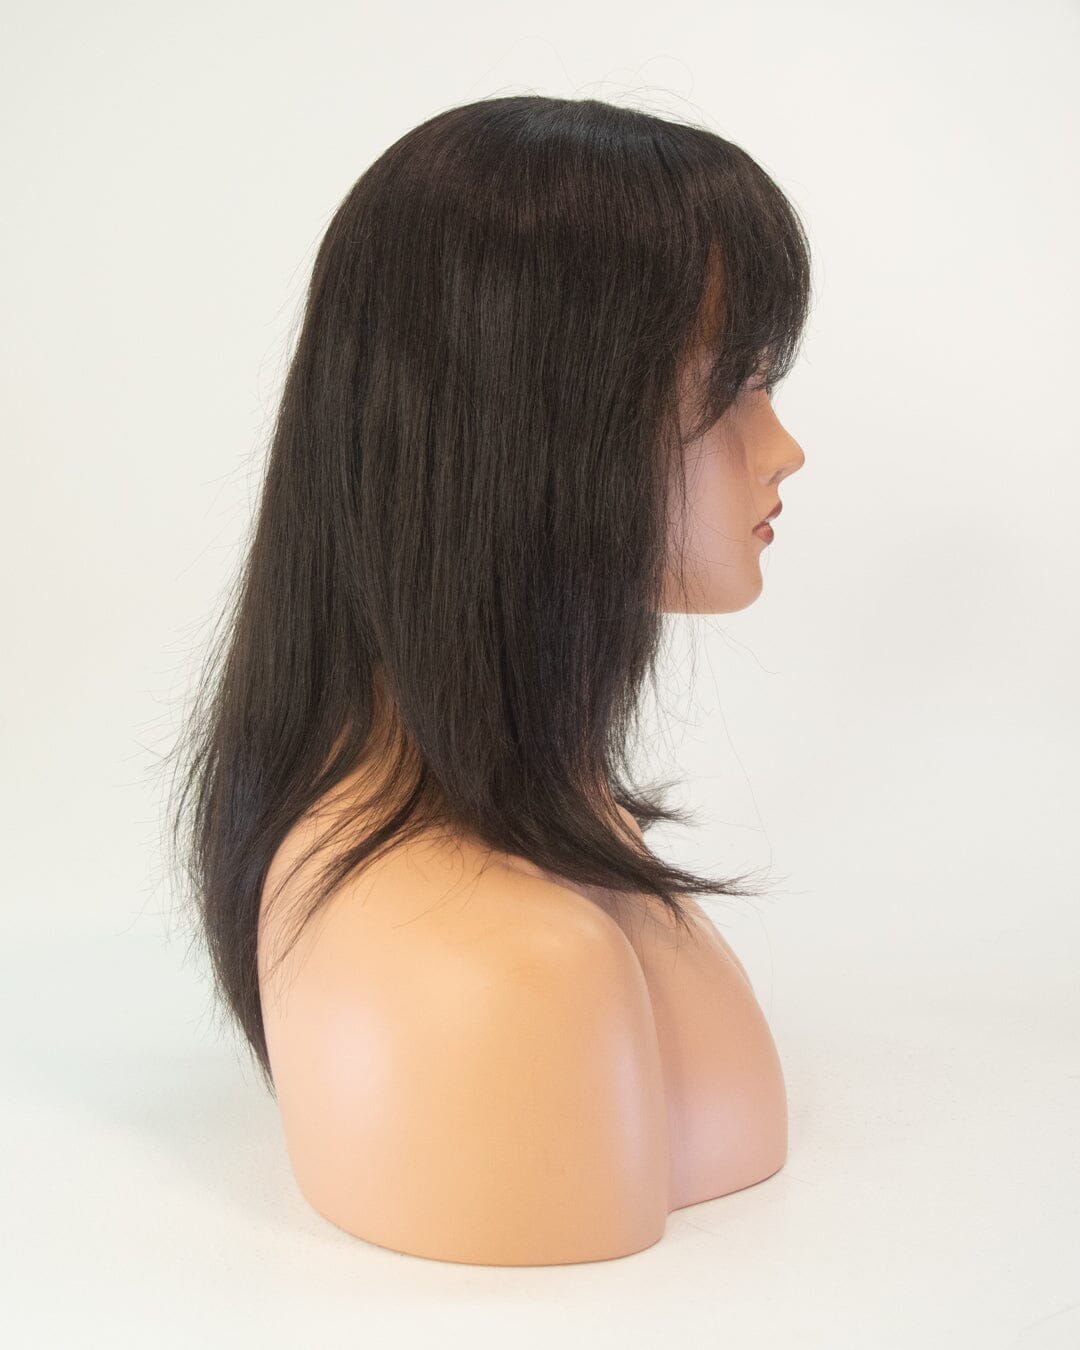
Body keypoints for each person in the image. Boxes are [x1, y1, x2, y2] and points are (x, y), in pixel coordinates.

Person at [166, 93, 812, 1265]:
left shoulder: (568, 836)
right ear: (537, 428)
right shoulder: (505, 970)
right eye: (730, 389)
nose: (783, 449)